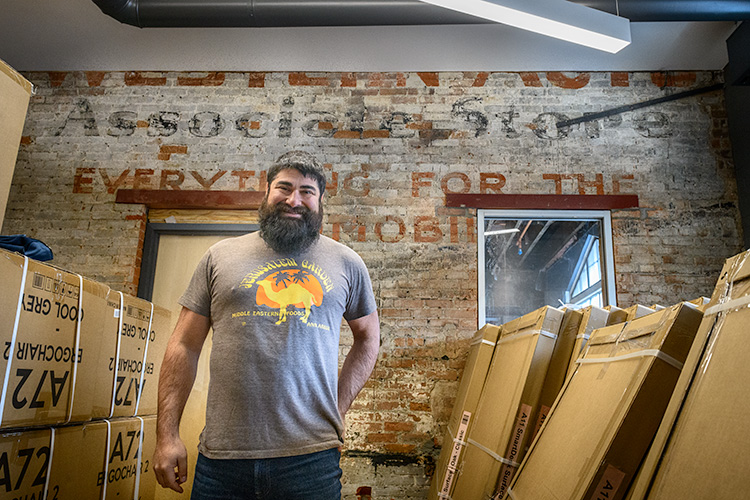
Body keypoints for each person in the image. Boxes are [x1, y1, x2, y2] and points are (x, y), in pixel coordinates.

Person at [153, 151, 380, 499]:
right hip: (222, 460)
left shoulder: (346, 263)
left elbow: (368, 338)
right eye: (284, 188)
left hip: (310, 458)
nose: (294, 199)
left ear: (319, 201)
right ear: (267, 192)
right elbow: (184, 344)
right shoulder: (220, 257)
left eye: (307, 191)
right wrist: (167, 436)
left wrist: (339, 406)